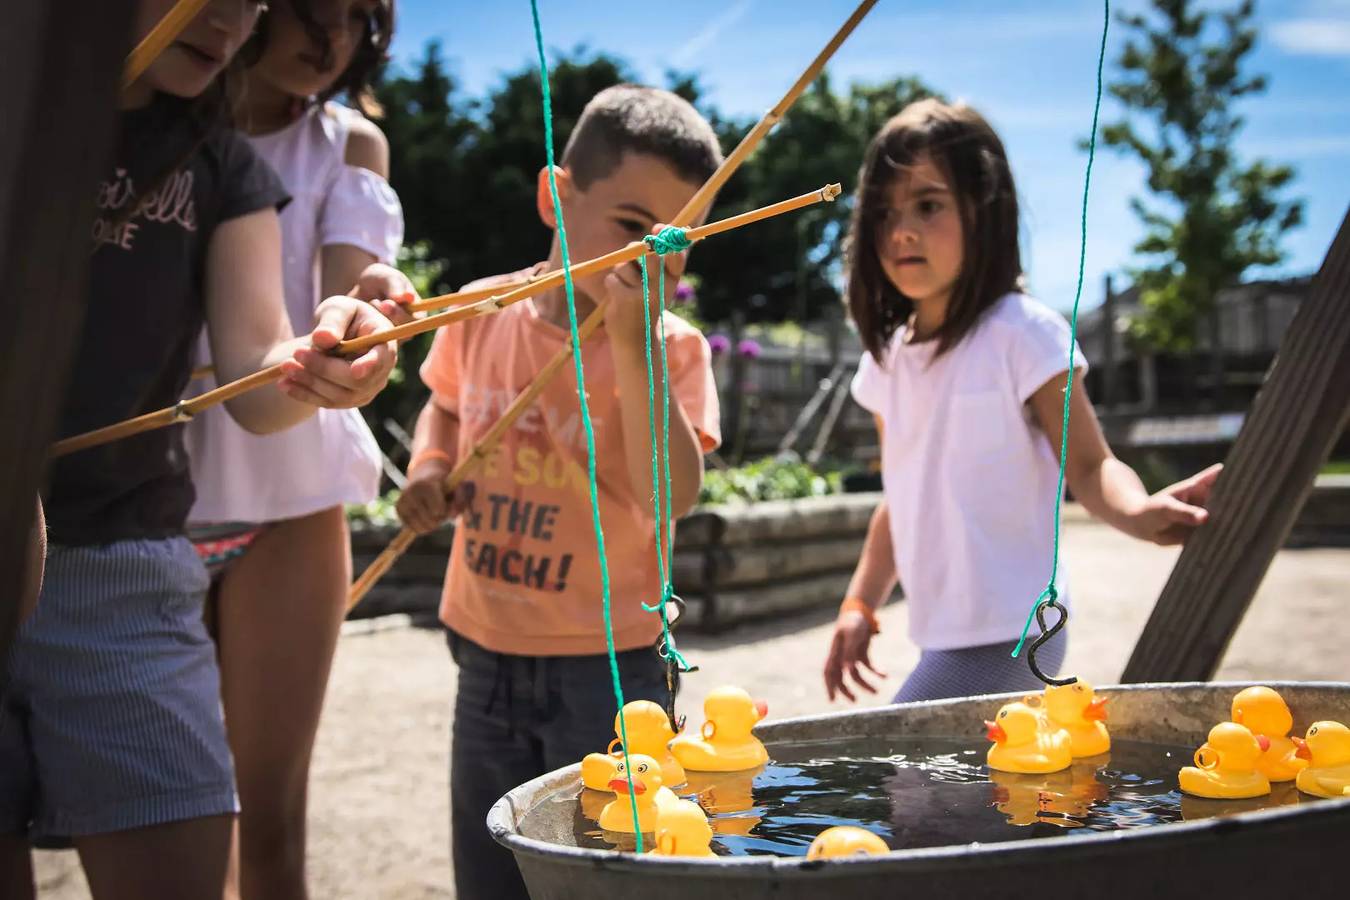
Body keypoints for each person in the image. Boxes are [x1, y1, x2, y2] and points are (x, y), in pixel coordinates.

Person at [0, 1, 403, 896]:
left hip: (125, 560)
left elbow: (258, 375)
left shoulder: (224, 165)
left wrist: (312, 363)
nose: (232, 16)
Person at [395, 85, 723, 900]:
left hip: (609, 671)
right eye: (633, 228)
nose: (659, 260)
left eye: (679, 241)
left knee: (608, 872)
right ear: (556, 195)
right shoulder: (479, 311)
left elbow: (673, 496)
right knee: (491, 864)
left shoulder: (670, 349)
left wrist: (631, 343)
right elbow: (441, 407)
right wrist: (429, 471)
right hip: (484, 646)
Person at [822, 99, 1221, 705]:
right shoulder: (887, 361)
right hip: (941, 635)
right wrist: (859, 603)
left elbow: (1089, 464)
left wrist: (1139, 513)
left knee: (913, 781)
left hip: (1017, 634)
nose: (901, 230)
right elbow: (898, 499)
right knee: (976, 795)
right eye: (884, 213)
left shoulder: (1024, 333)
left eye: (928, 206)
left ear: (983, 210)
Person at [181, 2, 403, 895]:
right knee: (171, 818)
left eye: (358, 17)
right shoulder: (151, 119)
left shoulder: (351, 143)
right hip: (140, 496)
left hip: (293, 498)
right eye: (314, 8)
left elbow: (347, 296)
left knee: (270, 816)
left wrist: (368, 316)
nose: (332, 39)